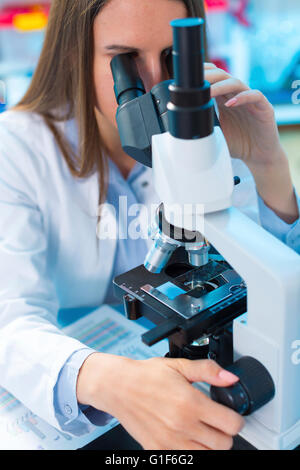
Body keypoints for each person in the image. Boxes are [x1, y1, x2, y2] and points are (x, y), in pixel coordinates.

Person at [0, 0, 299, 451]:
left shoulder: (212, 129)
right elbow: (10, 319)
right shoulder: (17, 149)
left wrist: (267, 164)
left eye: (171, 59)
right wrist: (108, 380)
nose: (156, 85)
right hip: (84, 381)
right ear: (74, 55)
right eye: (125, 61)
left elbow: (273, 281)